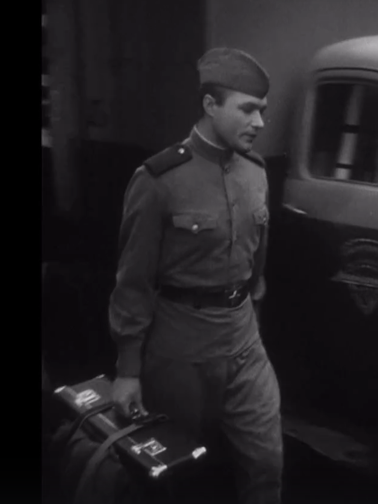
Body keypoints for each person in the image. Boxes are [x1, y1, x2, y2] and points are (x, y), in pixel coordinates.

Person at [107, 47, 282, 504]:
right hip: (180, 348)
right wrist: (128, 369)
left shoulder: (256, 172)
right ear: (210, 105)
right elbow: (133, 280)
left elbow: (257, 259)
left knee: (266, 462)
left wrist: (254, 317)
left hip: (243, 341)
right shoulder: (159, 180)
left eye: (262, 111)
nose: (259, 122)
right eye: (247, 109)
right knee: (177, 472)